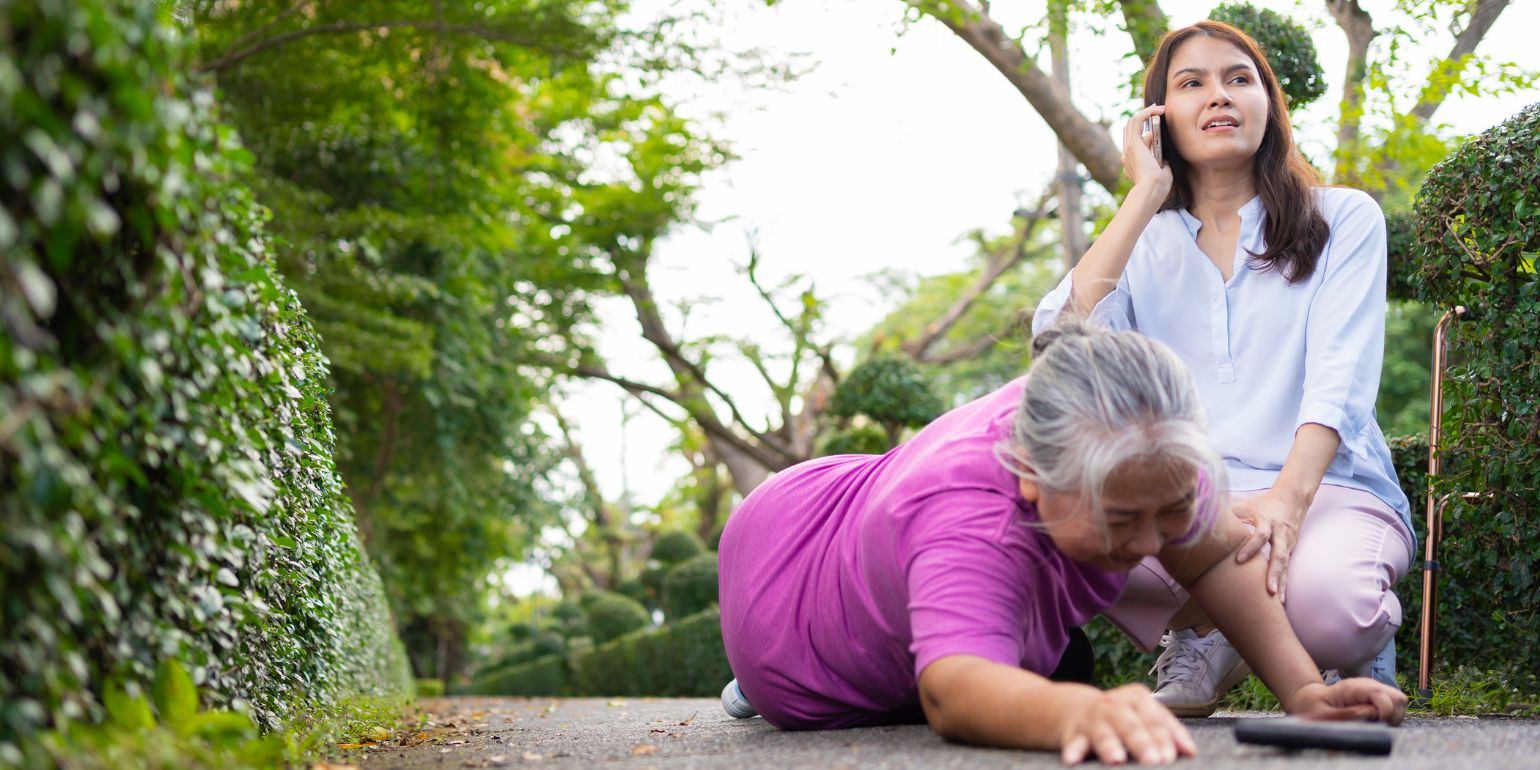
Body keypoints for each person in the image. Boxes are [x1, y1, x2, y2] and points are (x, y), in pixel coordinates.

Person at [717, 324, 1406, 766]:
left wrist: (1305, 693)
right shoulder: (968, 510)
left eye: (1167, 513)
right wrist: (1083, 710)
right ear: (1032, 478)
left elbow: (1218, 554)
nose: (1147, 545)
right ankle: (751, 684)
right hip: (785, 591)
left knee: (1046, 666)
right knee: (1051, 682)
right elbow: (953, 695)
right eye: (1118, 519)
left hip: (872, 519)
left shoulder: (1144, 437)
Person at [1032, 20, 1414, 718]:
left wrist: (1284, 504)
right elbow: (1059, 348)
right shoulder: (1141, 244)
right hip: (1190, 503)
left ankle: (1347, 645)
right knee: (1069, 546)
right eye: (1192, 83)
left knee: (1336, 612)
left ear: (1268, 105)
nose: (1220, 95)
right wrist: (1143, 196)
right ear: (1158, 120)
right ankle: (1206, 630)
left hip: (1326, 486)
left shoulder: (1345, 218)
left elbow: (1342, 381)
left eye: (1240, 79)